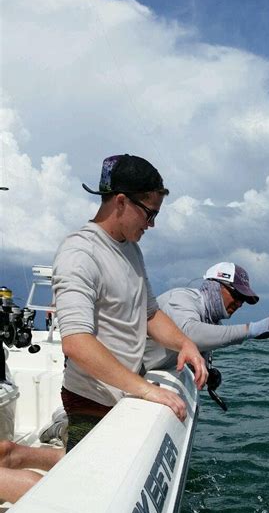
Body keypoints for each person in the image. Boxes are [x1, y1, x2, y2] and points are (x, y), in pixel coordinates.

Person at [52, 154, 208, 451]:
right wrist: (145, 390)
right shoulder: (80, 254)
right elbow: (76, 342)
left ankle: (18, 455)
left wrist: (185, 343)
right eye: (150, 214)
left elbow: (150, 314)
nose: (152, 225)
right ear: (121, 202)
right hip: (90, 399)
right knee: (88, 483)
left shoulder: (131, 250)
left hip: (125, 390)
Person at [143, 261, 269, 374]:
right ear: (215, 286)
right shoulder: (182, 298)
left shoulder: (211, 321)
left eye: (243, 300)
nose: (239, 304)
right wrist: (251, 330)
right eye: (236, 295)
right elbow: (187, 335)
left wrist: (208, 372)